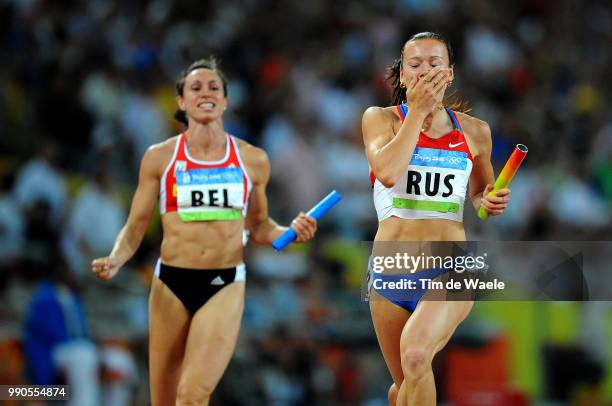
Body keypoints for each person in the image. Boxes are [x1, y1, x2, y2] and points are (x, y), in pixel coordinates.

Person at [92, 57, 317, 406]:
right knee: (164, 400)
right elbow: (135, 225)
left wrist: (290, 231)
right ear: (181, 102)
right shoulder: (159, 158)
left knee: (192, 394)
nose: (206, 93)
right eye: (195, 88)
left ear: (226, 100)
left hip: (223, 283)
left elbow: (258, 226)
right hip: (169, 283)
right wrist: (116, 258)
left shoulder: (252, 159)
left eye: (214, 87)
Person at [362, 32, 511, 406]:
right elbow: (389, 172)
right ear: (401, 77)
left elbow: (480, 194)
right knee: (404, 388)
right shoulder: (380, 120)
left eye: (434, 63)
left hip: (451, 265)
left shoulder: (475, 132)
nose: (425, 71)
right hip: (390, 271)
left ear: (450, 74)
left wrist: (488, 202)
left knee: (415, 355)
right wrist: (416, 113)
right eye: (415, 65)